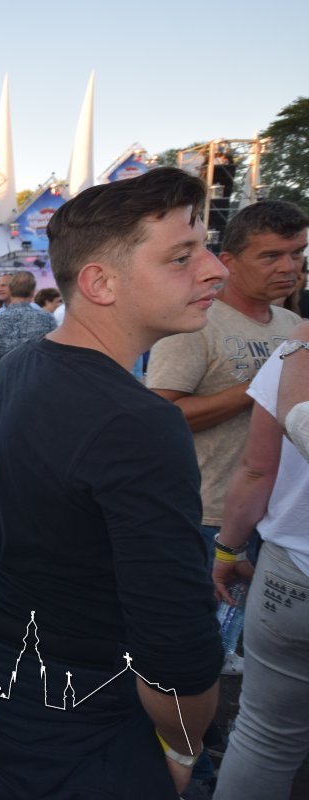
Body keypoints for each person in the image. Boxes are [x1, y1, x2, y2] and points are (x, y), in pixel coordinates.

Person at [0, 167, 225, 797]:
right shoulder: (138, 423)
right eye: (182, 256)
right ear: (99, 282)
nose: (214, 271)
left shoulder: (15, 367)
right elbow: (175, 649)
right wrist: (182, 747)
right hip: (81, 719)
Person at [147, 200, 307, 573]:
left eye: (297, 253)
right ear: (229, 262)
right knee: (218, 610)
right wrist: (264, 386)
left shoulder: (292, 324)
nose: (289, 266)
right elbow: (162, 416)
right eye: (270, 256)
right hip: (211, 515)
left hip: (280, 515)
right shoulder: (195, 322)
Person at [211, 319, 309, 799]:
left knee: (266, 738)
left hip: (293, 571)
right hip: (290, 573)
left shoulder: (298, 352)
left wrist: (228, 549)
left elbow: (256, 469)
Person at [0, 270, 56, 376]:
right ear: (32, 292)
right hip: (35, 377)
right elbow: (54, 352)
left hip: (2, 378)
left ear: (11, 290)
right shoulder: (47, 318)